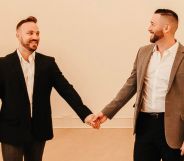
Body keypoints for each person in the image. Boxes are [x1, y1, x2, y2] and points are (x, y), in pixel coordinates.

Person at [0, 16, 99, 161]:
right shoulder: (3, 64)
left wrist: (86, 114)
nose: (35, 37)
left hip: (38, 130)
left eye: (37, 33)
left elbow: (67, 90)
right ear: (18, 34)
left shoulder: (48, 64)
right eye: (30, 33)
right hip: (10, 130)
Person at [94, 9, 184, 161]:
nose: (149, 28)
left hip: (174, 128)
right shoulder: (143, 52)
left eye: (152, 24)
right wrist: (106, 112)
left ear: (166, 28)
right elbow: (130, 85)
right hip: (144, 125)